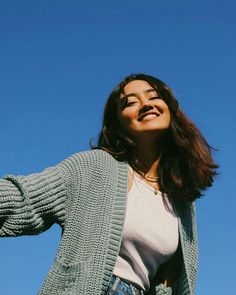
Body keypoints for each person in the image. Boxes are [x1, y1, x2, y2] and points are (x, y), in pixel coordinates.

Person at [0, 73, 218, 295]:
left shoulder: (182, 200)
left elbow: (169, 284)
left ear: (170, 108)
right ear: (118, 125)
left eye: (154, 97)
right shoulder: (93, 167)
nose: (145, 105)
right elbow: (23, 198)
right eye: (130, 102)